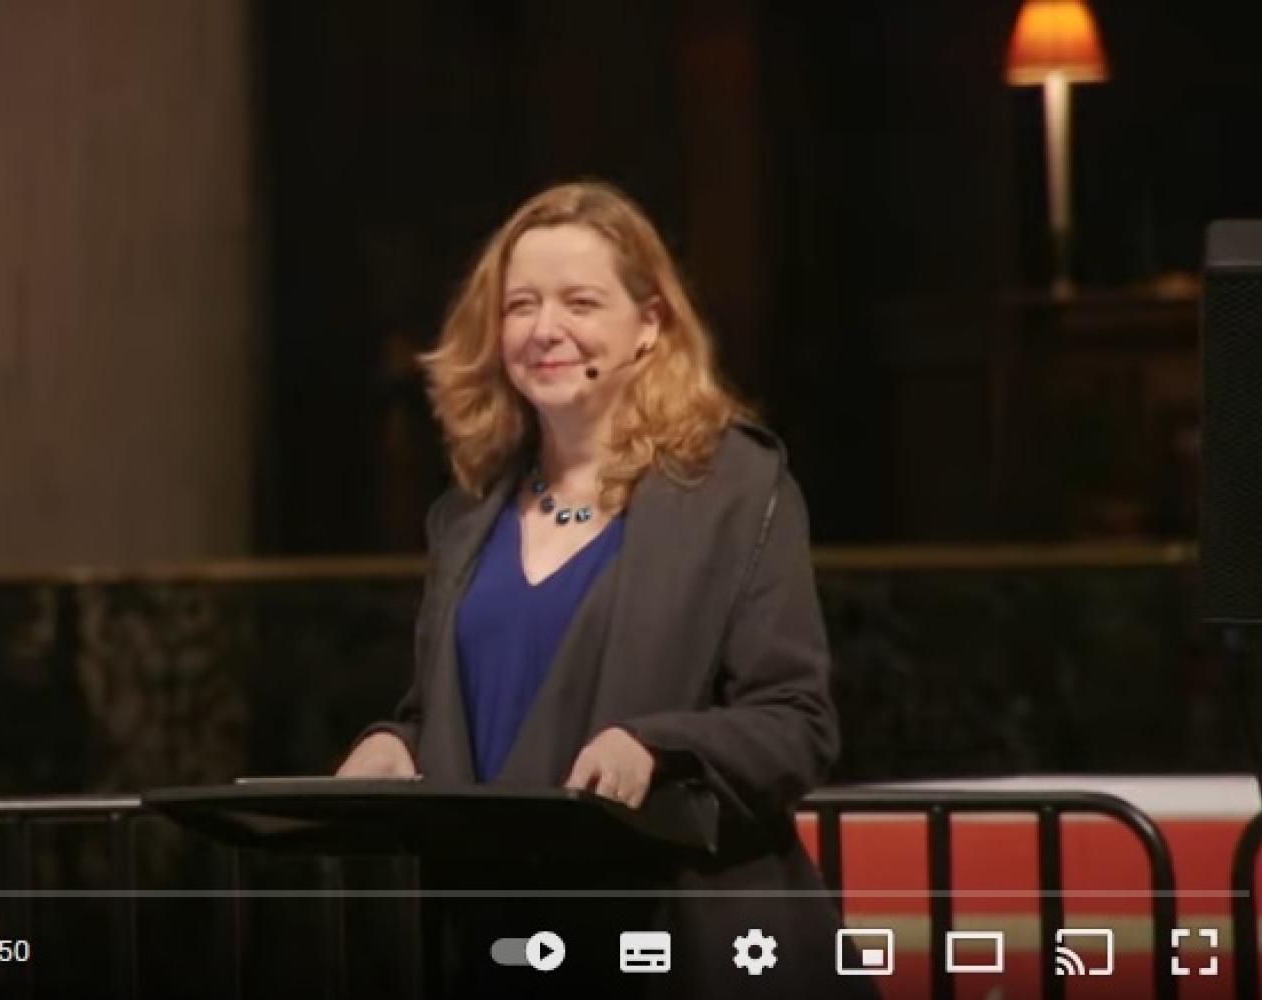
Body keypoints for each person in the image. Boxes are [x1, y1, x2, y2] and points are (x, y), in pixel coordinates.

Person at [337, 181, 872, 998]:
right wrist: (397, 743)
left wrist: (655, 745)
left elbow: (795, 724)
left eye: (580, 302)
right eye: (521, 306)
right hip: (502, 947)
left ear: (649, 326)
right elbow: (461, 712)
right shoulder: (466, 516)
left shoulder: (737, 490)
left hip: (679, 946)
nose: (545, 329)